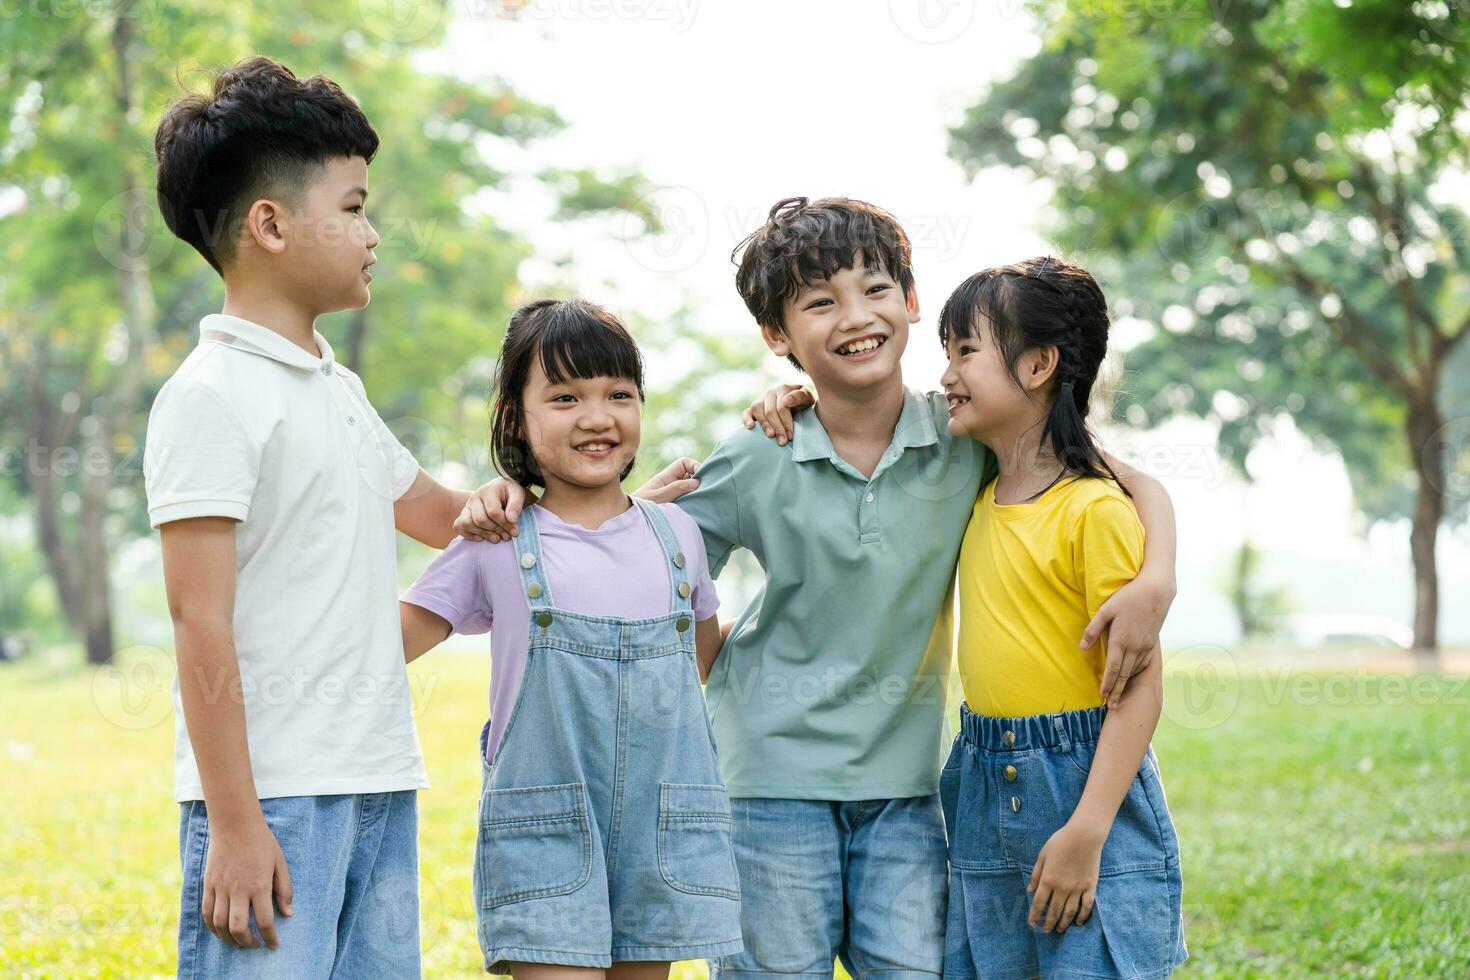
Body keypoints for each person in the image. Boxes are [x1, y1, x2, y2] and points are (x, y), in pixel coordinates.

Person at [462, 197, 1179, 978]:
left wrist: (1160, 574)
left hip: (906, 794)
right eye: (819, 302)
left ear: (910, 300)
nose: (855, 316)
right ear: (778, 336)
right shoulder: (755, 454)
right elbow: (639, 546)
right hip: (765, 788)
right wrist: (516, 498)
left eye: (875, 289)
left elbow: (1103, 472)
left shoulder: (964, 434)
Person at [147, 56, 503, 978]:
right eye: (352, 207)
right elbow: (198, 619)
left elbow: (441, 513)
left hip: (378, 778)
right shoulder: (211, 396)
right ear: (269, 224)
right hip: (274, 800)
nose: (373, 231)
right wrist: (233, 824)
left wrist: (599, 510)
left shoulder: (334, 387)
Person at [399, 299, 744, 978]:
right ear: (514, 419)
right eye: (564, 396)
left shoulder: (678, 536)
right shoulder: (497, 540)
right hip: (543, 832)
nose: (596, 416)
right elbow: (387, 645)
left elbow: (701, 662)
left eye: (618, 393)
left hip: (661, 830)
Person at [936, 257, 1187, 978]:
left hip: (1079, 779)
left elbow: (1138, 686)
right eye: (944, 354)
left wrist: (1088, 829)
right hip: (981, 774)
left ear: (1040, 364)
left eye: (965, 352)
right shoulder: (976, 483)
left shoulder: (1094, 510)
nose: (947, 375)